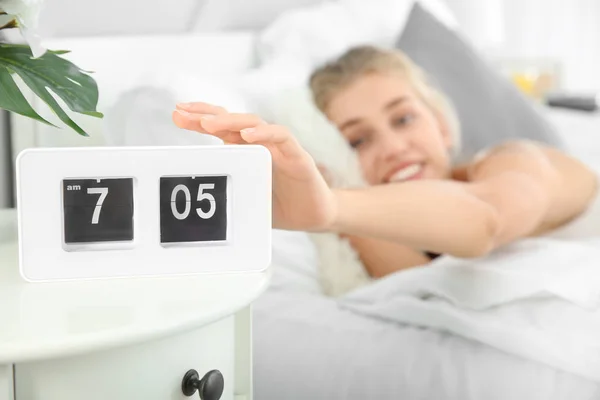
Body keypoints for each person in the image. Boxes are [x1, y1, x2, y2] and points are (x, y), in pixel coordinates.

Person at [172, 45, 598, 278]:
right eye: (358, 140)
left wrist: (335, 207)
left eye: (404, 118)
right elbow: (415, 281)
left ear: (443, 126)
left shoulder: (517, 162)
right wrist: (321, 188)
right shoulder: (387, 224)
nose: (393, 147)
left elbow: (486, 218)